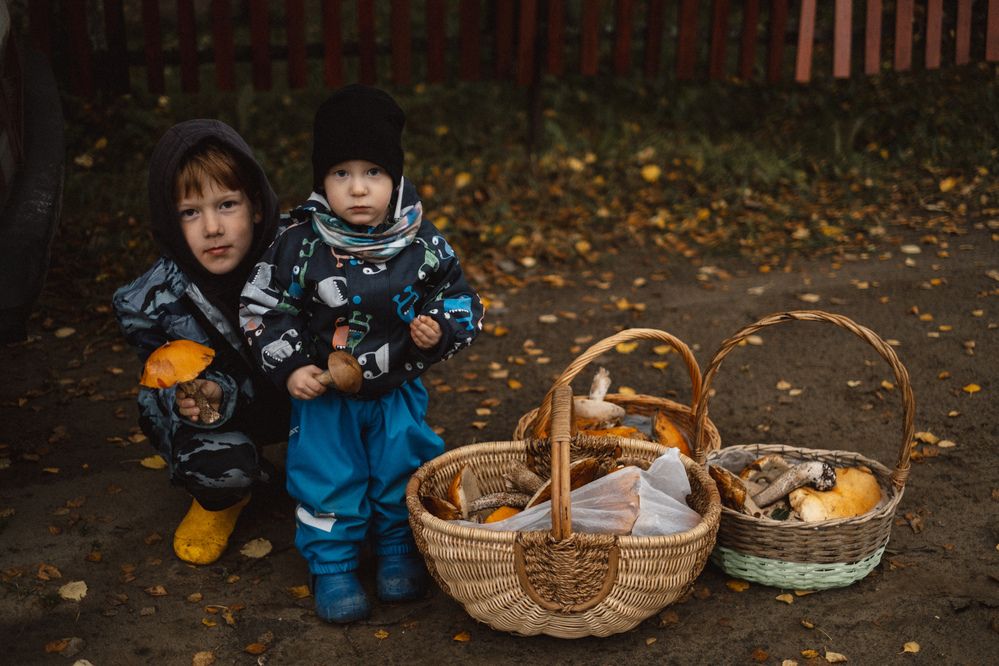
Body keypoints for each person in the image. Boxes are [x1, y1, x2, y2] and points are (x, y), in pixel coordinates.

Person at [240, 85, 483, 623]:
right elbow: (263, 306)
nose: (357, 189)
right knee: (329, 475)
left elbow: (459, 295)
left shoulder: (419, 240)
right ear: (321, 181)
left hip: (395, 388)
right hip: (327, 394)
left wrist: (437, 328)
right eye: (341, 174)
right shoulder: (298, 242)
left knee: (402, 468)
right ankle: (333, 566)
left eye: (372, 172)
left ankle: (397, 551)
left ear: (394, 177)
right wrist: (293, 365)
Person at [113, 120, 290, 566]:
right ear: (170, 224)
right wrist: (195, 399)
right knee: (219, 466)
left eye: (226, 204)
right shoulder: (149, 301)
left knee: (360, 419)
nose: (212, 227)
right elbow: (160, 391)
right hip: (228, 408)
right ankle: (223, 500)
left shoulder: (301, 259)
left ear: (254, 205)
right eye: (190, 212)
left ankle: (347, 483)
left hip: (303, 392)